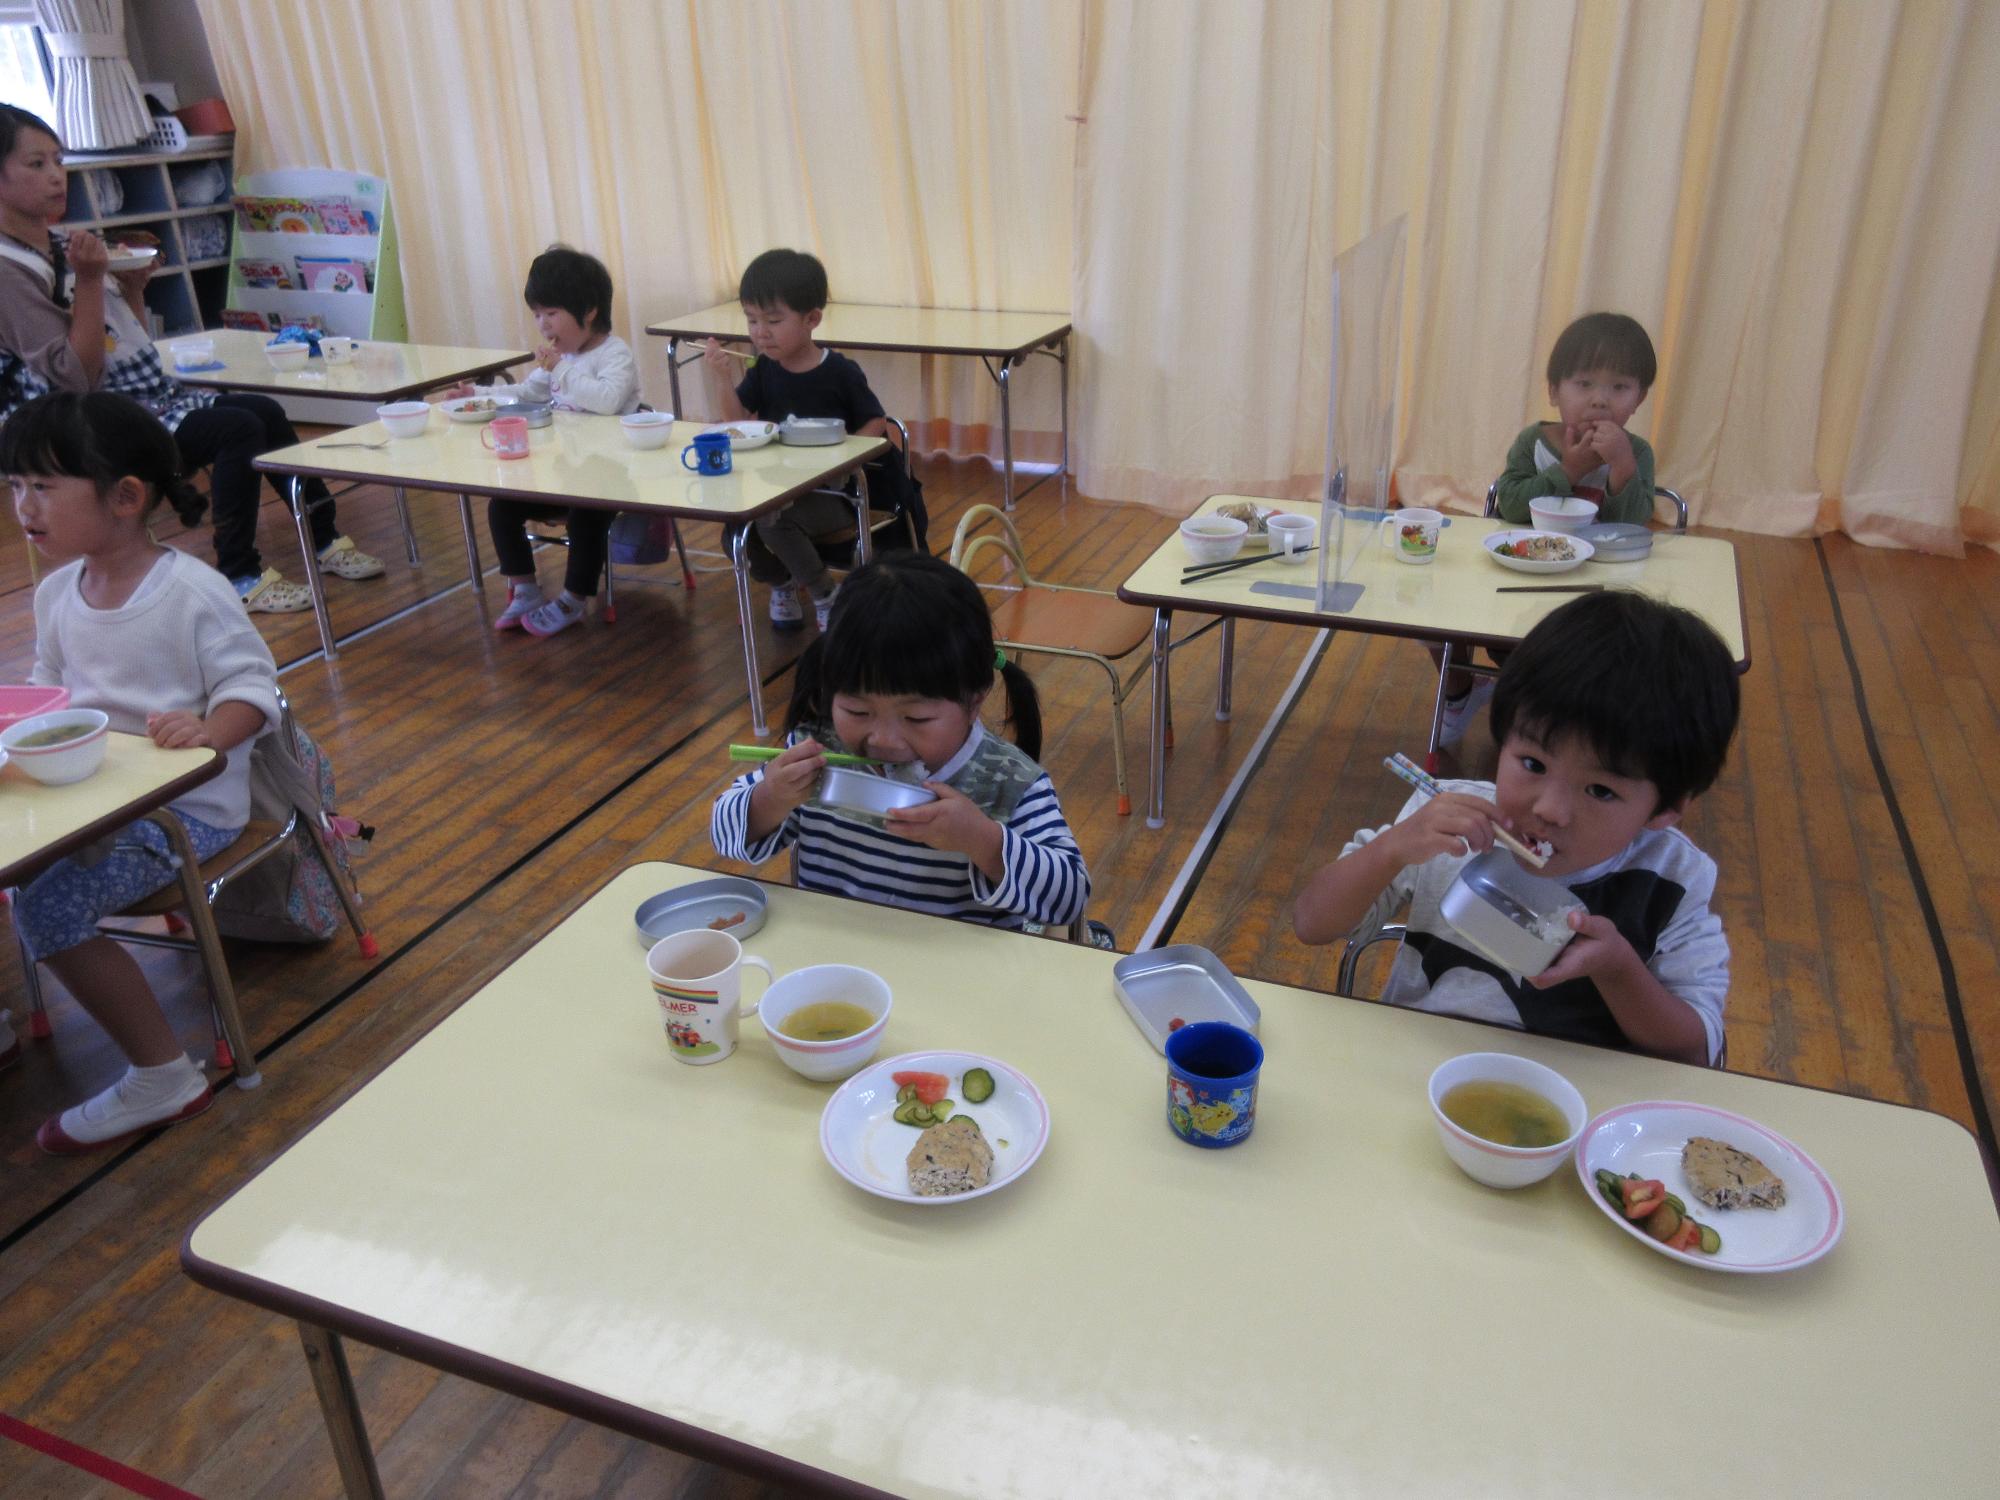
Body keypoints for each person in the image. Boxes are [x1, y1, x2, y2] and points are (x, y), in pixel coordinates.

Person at [1293, 591, 1739, 1066]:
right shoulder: (1443, 819)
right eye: (1532, 762)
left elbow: (1696, 1052)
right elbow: (1311, 924)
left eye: (1600, 791)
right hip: (1418, 1068)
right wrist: (1391, 849)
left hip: (1575, 1103)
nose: (1549, 809)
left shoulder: (1673, 877)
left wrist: (1618, 969)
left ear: (1665, 809)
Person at [3, 392, 280, 1152]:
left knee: (47, 910)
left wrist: (206, 733)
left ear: (125, 497)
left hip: (184, 811)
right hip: (93, 796)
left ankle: (163, 1075)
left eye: (43, 486)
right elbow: (46, 688)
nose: (24, 505)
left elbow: (254, 692)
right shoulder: (60, 591)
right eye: (14, 486)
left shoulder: (192, 591)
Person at [0, 104, 383, 615]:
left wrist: (130, 289)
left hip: (125, 401)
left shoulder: (57, 244)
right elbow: (74, 376)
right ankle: (240, 572)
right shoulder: (9, 270)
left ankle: (324, 535)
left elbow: (119, 340)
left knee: (262, 410)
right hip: (74, 428)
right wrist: (92, 280)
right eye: (36, 164)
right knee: (235, 430)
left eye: (58, 160)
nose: (56, 176)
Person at [711, 552, 1090, 931]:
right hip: (835, 966)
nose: (883, 739)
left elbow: (1069, 899)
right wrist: (772, 798)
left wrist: (982, 841)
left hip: (958, 978)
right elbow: (723, 832)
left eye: (916, 718)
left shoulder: (1008, 782)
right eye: (858, 712)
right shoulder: (818, 753)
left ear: (974, 701)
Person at [1437, 312, 1662, 743]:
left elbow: (1629, 528)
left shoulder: (1636, 452)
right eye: (1584, 384)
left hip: (1595, 590)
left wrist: (1622, 466)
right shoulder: (1532, 443)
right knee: (1447, 618)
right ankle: (1462, 690)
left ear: (1639, 398)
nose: (1600, 400)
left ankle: (1556, 717)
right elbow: (1513, 506)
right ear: (1554, 390)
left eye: (1619, 387)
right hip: (1521, 578)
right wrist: (1570, 468)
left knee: (1588, 659)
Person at [701, 247, 903, 634]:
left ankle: (826, 593)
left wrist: (841, 463)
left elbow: (877, 422)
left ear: (812, 319)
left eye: (773, 320)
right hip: (778, 488)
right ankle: (783, 583)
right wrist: (722, 378)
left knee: (773, 522)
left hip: (832, 496)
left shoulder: (839, 371)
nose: (760, 331)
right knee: (735, 532)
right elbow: (737, 422)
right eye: (752, 320)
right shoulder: (765, 370)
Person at [456, 244, 641, 637]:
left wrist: (560, 368)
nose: (543, 324)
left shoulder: (614, 354)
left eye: (552, 313)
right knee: (501, 506)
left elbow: (607, 403)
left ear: (589, 311)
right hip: (561, 473)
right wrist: (473, 394)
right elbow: (527, 394)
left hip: (609, 478)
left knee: (586, 515)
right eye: (537, 314)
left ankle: (574, 599)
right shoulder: (561, 358)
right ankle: (525, 588)